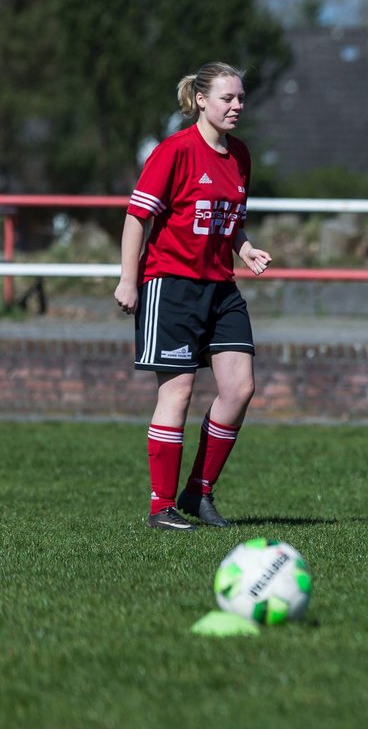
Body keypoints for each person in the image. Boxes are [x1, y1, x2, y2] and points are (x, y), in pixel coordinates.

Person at [114, 62, 272, 530]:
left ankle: (197, 492)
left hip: (221, 287)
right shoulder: (174, 151)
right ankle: (160, 506)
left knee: (240, 388)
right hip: (171, 284)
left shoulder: (240, 155)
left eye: (241, 98)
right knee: (178, 392)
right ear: (201, 101)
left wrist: (244, 248)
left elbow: (228, 217)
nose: (237, 106)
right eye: (228, 98)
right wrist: (128, 279)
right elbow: (136, 218)